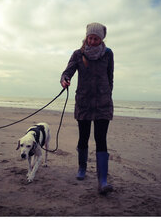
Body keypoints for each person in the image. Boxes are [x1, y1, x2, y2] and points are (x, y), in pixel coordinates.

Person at [60, 22, 114, 195]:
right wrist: (64, 79)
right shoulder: (78, 54)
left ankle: (103, 180)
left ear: (101, 39)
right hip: (83, 102)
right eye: (90, 38)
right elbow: (67, 72)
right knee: (83, 138)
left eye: (96, 39)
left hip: (103, 104)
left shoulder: (108, 54)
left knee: (101, 139)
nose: (92, 41)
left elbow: (110, 76)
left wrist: (107, 94)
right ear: (86, 37)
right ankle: (82, 167)